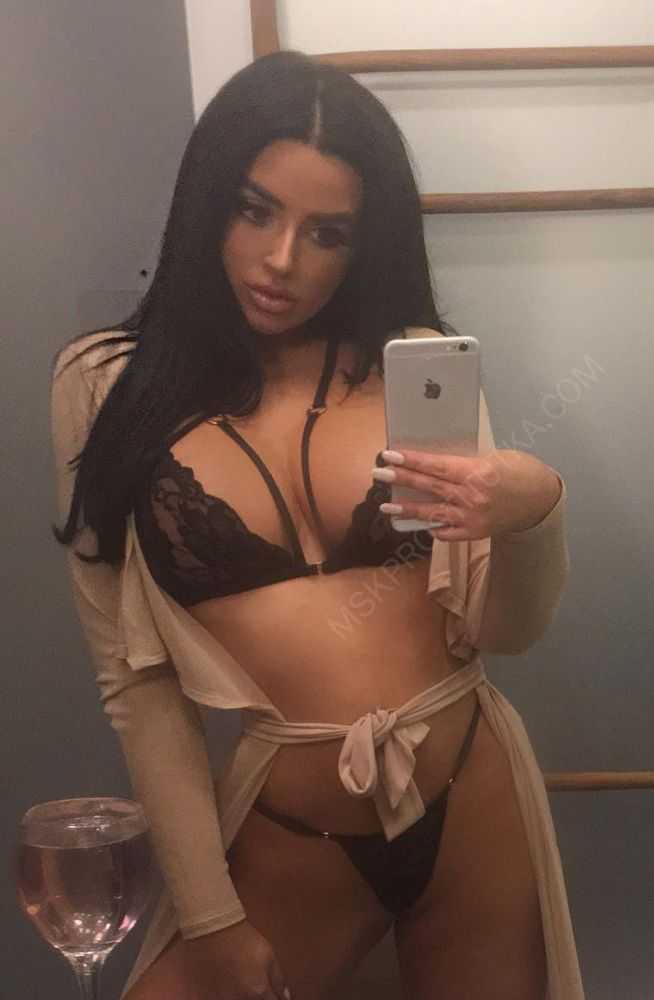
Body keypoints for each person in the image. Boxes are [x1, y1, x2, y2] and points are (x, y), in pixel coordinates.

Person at [51, 51, 583, 1000]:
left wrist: (533, 506)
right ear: (207, 200)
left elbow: (507, 631)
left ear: (364, 243)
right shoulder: (105, 384)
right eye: (255, 211)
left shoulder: (415, 363)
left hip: (472, 790)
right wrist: (210, 917)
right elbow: (137, 684)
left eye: (326, 233)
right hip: (296, 831)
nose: (283, 261)